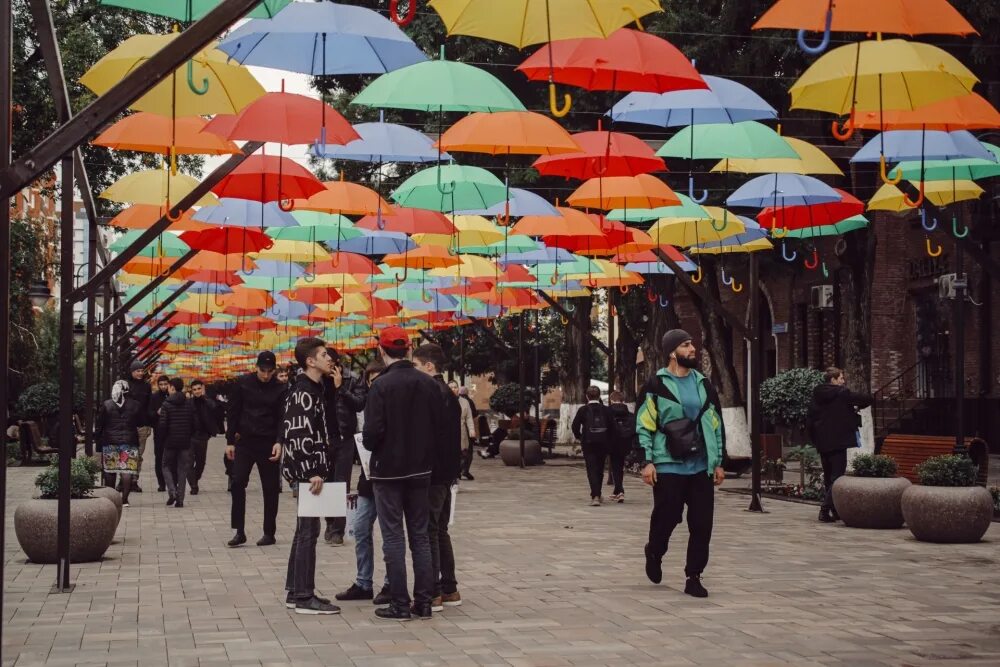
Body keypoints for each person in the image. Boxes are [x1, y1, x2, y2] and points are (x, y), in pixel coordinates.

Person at [636, 330, 726, 598]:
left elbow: (715, 424)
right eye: (686, 345)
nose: (693, 348)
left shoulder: (704, 384)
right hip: (667, 464)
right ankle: (655, 550)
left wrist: (718, 461)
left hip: (700, 466)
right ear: (672, 352)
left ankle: (694, 576)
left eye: (692, 343)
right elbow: (644, 424)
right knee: (668, 517)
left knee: (701, 523)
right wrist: (647, 461)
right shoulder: (656, 385)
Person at [362, 326, 443, 621]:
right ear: (409, 349)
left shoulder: (380, 386)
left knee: (393, 537)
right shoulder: (429, 385)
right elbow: (439, 428)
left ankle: (399, 603)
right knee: (420, 536)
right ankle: (424, 602)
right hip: (421, 470)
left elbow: (371, 433)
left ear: (382, 352)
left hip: (388, 472)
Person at [280, 337, 340, 615]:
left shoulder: (316, 388)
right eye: (324, 355)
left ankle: (296, 590)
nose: (330, 359)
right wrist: (312, 470)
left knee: (305, 529)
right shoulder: (303, 391)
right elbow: (298, 432)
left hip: (313, 469)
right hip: (309, 472)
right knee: (309, 531)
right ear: (310, 361)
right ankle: (304, 596)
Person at [335, 360, 391, 606]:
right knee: (360, 526)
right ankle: (363, 582)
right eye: (371, 380)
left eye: (378, 379)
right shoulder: (365, 402)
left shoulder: (392, 403)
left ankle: (391, 582)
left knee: (392, 532)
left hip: (389, 476)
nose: (375, 384)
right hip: (368, 475)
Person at [414, 344, 463, 612]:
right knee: (439, 529)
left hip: (434, 473)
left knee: (430, 530)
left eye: (417, 366)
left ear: (429, 366)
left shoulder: (433, 393)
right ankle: (449, 587)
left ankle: (433, 589)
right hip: (447, 472)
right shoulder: (448, 394)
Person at [226, 351, 288, 548]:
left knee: (270, 488)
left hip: (268, 443)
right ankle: (239, 530)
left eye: (270, 371)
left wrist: (279, 441)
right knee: (237, 482)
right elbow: (233, 411)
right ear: (256, 367)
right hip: (245, 441)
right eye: (263, 370)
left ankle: (269, 532)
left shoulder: (281, 388)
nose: (266, 375)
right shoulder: (243, 383)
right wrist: (229, 441)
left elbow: (282, 418)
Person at [807, 367, 872, 523]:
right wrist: (856, 407)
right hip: (838, 441)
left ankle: (835, 510)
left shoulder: (816, 395)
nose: (843, 381)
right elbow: (867, 399)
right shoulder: (842, 393)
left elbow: (810, 419)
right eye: (841, 378)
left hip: (823, 442)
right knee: (837, 477)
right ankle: (824, 510)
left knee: (829, 477)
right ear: (833, 380)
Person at [96, 380, 143, 507]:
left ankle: (112, 499)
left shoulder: (106, 404)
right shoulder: (135, 405)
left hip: (110, 441)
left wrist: (98, 442)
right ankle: (125, 500)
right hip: (130, 442)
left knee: (110, 470)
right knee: (126, 470)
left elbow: (100, 424)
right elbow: (139, 422)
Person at [321, 348, 350, 545]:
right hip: (323, 439)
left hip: (344, 439)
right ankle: (330, 522)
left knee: (341, 485)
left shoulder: (350, 379)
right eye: (325, 359)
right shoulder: (315, 380)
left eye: (331, 360)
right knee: (327, 483)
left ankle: (338, 530)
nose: (328, 364)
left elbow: (359, 403)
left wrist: (340, 388)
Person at [572, 386, 616, 506]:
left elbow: (575, 426)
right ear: (599, 396)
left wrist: (580, 437)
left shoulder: (583, 410)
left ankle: (595, 495)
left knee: (591, 469)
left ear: (587, 396)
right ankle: (598, 493)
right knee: (600, 469)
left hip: (588, 443)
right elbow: (613, 427)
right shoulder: (607, 410)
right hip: (603, 443)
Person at [158, 377, 196, 508]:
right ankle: (180, 499)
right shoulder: (189, 403)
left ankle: (172, 491)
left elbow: (162, 425)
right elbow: (193, 423)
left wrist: (162, 439)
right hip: (185, 441)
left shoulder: (166, 404)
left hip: (170, 441)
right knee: (182, 470)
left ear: (172, 387)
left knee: (165, 466)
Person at [125, 360, 152, 493]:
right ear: (132, 371)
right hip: (128, 425)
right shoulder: (125, 385)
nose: (141, 373)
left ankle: (134, 480)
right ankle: (124, 480)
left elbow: (149, 406)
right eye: (138, 371)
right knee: (126, 453)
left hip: (142, 425)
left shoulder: (147, 387)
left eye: (142, 370)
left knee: (138, 454)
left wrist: (149, 425)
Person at [188, 379, 219, 495]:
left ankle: (194, 479)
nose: (197, 391)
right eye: (194, 389)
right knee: (189, 462)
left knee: (201, 462)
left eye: (199, 389)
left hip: (203, 437)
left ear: (203, 388)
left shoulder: (209, 402)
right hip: (190, 437)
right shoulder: (188, 403)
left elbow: (215, 414)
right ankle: (193, 485)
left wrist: (211, 432)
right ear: (191, 391)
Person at [607, 390, 636, 503]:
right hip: (626, 442)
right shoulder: (630, 414)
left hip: (613, 443)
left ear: (611, 400)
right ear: (622, 400)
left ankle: (620, 491)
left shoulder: (608, 413)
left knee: (616, 467)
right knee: (619, 468)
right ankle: (616, 491)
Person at [450, 383, 478, 481]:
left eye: (455, 387)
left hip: (462, 431)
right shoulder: (444, 400)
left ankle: (459, 472)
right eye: (451, 387)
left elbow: (469, 417)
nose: (454, 389)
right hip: (449, 431)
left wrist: (471, 430)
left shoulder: (465, 402)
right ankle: (454, 475)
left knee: (464, 453)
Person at [148, 374, 171, 493]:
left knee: (171, 458)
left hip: (172, 432)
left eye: (165, 384)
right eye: (161, 384)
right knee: (159, 457)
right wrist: (157, 413)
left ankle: (171, 482)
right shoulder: (154, 397)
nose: (163, 386)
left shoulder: (172, 396)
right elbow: (149, 413)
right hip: (159, 431)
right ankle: (161, 483)